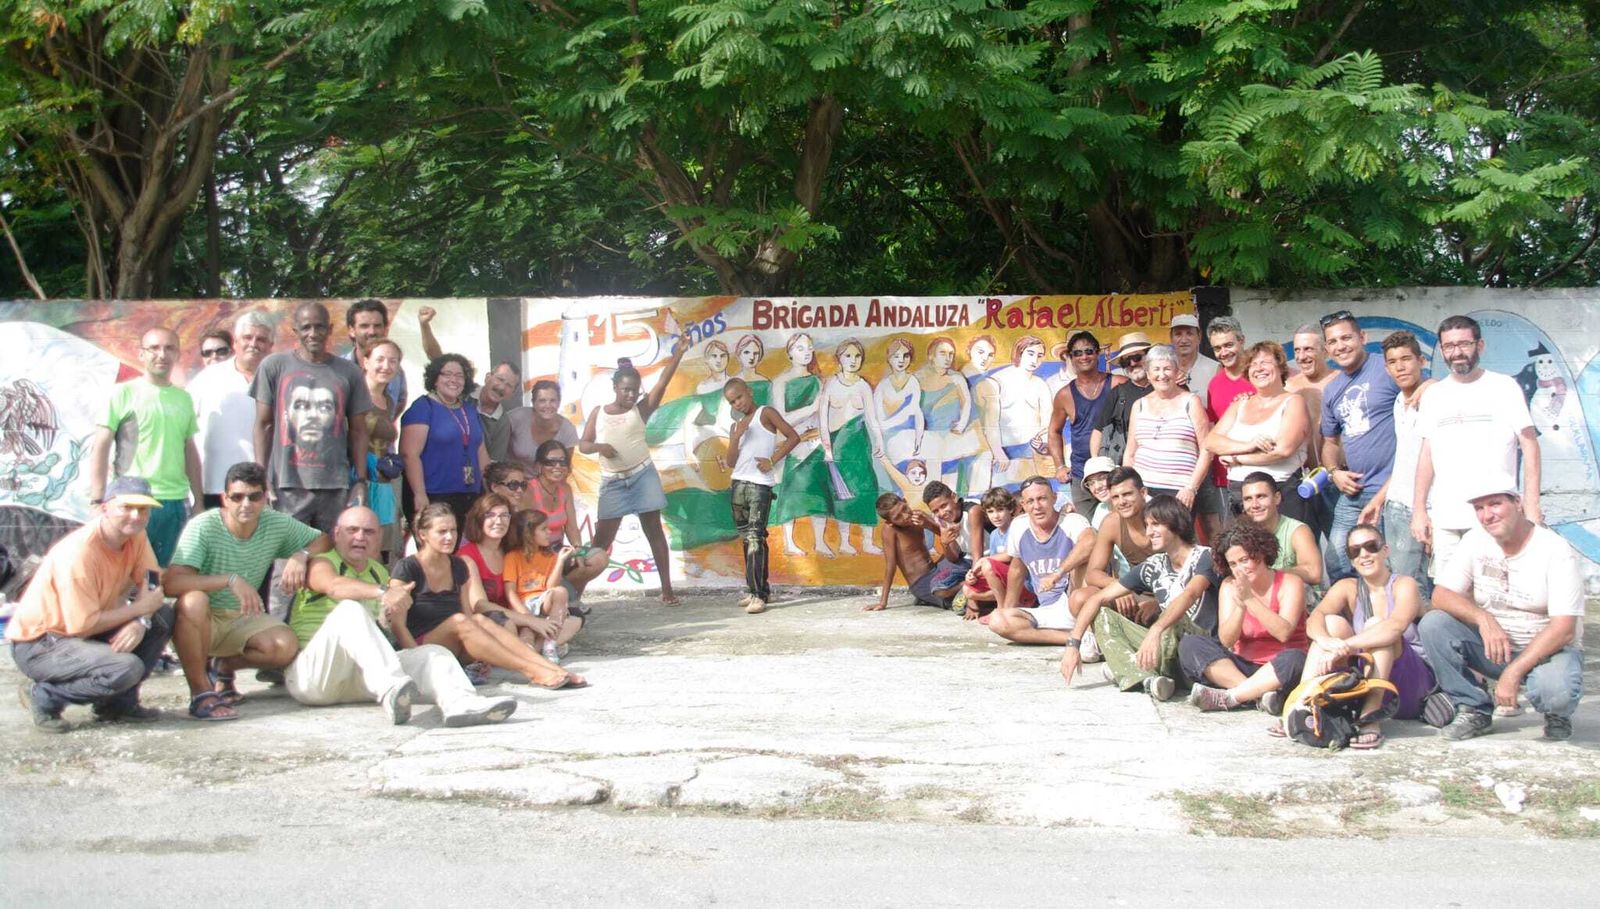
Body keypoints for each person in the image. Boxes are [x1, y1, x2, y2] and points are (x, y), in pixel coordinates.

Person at [283, 506, 517, 727]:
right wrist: (384, 592)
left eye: (369, 532)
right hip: (315, 677)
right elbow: (334, 587)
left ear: (379, 538)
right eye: (352, 530)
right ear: (337, 534)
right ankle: (393, 687)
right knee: (350, 610)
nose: (360, 537)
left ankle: (461, 704)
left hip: (362, 678)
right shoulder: (321, 562)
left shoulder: (378, 571)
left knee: (433, 653)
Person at [1417, 475, 1583, 742]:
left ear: (1517, 503)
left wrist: (1512, 673)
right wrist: (1482, 618)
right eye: (1479, 508)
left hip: (1548, 650)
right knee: (1434, 624)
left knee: (1556, 693)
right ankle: (1473, 708)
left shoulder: (1555, 550)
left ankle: (1557, 714)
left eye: (1495, 504)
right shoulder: (1474, 540)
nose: (1487, 515)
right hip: (1497, 648)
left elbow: (1564, 629)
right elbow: (1441, 595)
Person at [165, 462, 332, 722]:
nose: (246, 504)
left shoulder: (273, 523)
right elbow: (172, 584)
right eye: (237, 497)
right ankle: (201, 693)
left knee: (284, 645)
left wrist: (301, 555)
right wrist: (229, 580)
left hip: (241, 618)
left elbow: (322, 539)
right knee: (193, 601)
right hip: (201, 620)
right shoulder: (203, 526)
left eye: (254, 497)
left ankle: (223, 667)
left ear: (265, 498)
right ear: (225, 499)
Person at [8, 477, 176, 732]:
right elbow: (82, 626)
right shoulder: (80, 554)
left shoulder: (136, 536)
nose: (135, 516)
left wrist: (141, 621)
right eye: (127, 507)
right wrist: (138, 610)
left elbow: (151, 578)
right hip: (41, 643)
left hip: (87, 626)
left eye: (143, 509)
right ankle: (44, 696)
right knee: (126, 668)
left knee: (162, 616)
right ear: (105, 508)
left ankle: (118, 704)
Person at [390, 503, 583, 688]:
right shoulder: (407, 567)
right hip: (422, 645)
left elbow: (469, 614)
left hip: (457, 642)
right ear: (423, 535)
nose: (450, 537)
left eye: (454, 530)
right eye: (442, 532)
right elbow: (397, 625)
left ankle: (550, 668)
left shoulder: (457, 565)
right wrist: (418, 660)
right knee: (460, 621)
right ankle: (533, 671)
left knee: (479, 621)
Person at [1411, 315, 1542, 584]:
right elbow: (1427, 455)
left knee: (1497, 592)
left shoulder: (1504, 387)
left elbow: (1530, 445)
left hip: (1495, 516)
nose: (1457, 352)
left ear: (1479, 346)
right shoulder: (1435, 396)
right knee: (1449, 593)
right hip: (1447, 518)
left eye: (1464, 344)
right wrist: (1419, 510)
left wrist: (1532, 503)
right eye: (1449, 346)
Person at [1299, 524, 1451, 749]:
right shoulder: (1347, 587)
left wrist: (1345, 646)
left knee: (1376, 626)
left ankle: (1370, 717)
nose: (1364, 555)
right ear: (1350, 559)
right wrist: (1326, 641)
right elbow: (1314, 619)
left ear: (1385, 550)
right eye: (1355, 551)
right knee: (1331, 623)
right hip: (1365, 678)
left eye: (1371, 547)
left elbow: (1394, 628)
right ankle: (1301, 706)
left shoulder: (1404, 585)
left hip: (1410, 684)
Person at [1059, 495, 1218, 702]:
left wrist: (1156, 629)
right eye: (1147, 525)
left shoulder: (1205, 556)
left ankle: (1124, 668)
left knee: (1174, 618)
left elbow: (1190, 594)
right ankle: (1145, 678)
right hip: (1165, 649)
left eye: (1155, 524)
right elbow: (1096, 599)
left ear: (1176, 524)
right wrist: (1073, 645)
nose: (1149, 532)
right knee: (1103, 616)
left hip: (1199, 648)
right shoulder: (1155, 564)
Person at [580, 340, 688, 604]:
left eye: (634, 391)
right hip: (613, 482)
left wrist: (679, 353)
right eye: (625, 390)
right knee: (601, 539)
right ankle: (576, 591)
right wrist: (600, 447)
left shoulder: (642, 409)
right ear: (615, 387)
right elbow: (583, 445)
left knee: (654, 531)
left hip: (643, 476)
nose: (630, 395)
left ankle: (667, 591)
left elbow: (663, 381)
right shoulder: (599, 413)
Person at [252, 302, 373, 533]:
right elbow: (263, 424)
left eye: (319, 327)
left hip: (336, 485)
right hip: (287, 485)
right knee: (288, 562)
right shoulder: (274, 366)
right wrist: (261, 475)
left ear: (330, 329)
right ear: (294, 330)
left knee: (331, 558)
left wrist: (360, 481)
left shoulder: (349, 372)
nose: (313, 334)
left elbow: (359, 430)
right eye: (306, 327)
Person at [87, 327, 202, 566]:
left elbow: (189, 450)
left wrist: (198, 499)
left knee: (159, 574)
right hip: (133, 501)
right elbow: (101, 445)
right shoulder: (123, 393)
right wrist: (97, 499)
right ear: (142, 354)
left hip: (174, 502)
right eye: (154, 348)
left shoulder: (184, 398)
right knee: (123, 572)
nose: (162, 354)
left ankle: (154, 603)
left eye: (169, 348)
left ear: (177, 354)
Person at [1179, 522, 1309, 713]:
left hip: (1279, 667)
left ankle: (1235, 696)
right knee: (1190, 644)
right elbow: (1227, 639)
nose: (1240, 568)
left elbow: (1283, 633)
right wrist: (1240, 605)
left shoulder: (1290, 582)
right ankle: (1255, 694)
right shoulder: (1229, 585)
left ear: (1261, 554)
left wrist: (1250, 599)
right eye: (1233, 564)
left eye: (1245, 560)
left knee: (1296, 659)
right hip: (1242, 666)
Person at [1318, 310, 1398, 582]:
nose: (1341, 346)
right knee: (1338, 559)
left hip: (1392, 492)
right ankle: (1352, 620)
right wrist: (1333, 472)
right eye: (1333, 342)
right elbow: (1329, 443)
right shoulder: (1332, 390)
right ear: (1327, 349)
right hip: (1353, 493)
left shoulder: (1386, 368)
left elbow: (1420, 389)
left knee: (1389, 562)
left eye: (1346, 338)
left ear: (1362, 337)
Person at [1356, 331, 1436, 591]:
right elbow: (1405, 462)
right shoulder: (1399, 401)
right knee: (1402, 584)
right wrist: (1378, 500)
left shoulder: (1437, 397)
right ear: (1386, 367)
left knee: (1425, 585)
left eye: (1406, 359)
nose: (1400, 367)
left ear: (1421, 361)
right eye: (1393, 361)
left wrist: (1425, 511)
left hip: (1425, 507)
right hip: (1396, 506)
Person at [1206, 342, 1310, 523]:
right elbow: (1211, 441)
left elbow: (1283, 450)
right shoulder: (1240, 404)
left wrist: (1238, 459)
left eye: (1265, 362)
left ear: (1280, 367)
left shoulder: (1293, 401)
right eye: (1253, 364)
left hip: (1280, 492)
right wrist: (1249, 445)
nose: (1259, 368)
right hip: (1239, 494)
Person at [985, 477, 1096, 645]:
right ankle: (1077, 639)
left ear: (1054, 498)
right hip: (1047, 609)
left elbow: (1090, 541)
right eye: (1030, 501)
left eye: (1042, 498)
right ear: (1023, 504)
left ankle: (1084, 632)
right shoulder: (1019, 526)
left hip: (1076, 604)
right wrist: (1008, 609)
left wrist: (1058, 573)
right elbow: (1017, 569)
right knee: (998, 620)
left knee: (1083, 561)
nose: (1036, 506)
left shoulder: (1071, 522)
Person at [723, 377, 801, 615]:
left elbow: (793, 436)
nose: (737, 403)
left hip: (760, 485)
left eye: (739, 397)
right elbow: (730, 462)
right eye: (732, 401)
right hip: (738, 484)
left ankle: (759, 595)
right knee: (747, 539)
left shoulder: (765, 413)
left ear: (748, 392)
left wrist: (772, 461)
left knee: (756, 538)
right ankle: (756, 590)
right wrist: (735, 437)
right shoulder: (737, 425)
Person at [1123, 345, 1218, 536]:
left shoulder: (1191, 402)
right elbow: (1130, 452)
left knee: (1178, 545)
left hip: (1179, 492)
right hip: (1145, 491)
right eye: (1156, 369)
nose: (1162, 375)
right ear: (1148, 374)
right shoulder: (1139, 406)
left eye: (1167, 368)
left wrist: (1191, 488)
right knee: (1148, 547)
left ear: (1176, 372)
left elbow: (1207, 449)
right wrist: (1129, 488)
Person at [191, 311, 275, 509]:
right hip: (215, 488)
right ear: (235, 342)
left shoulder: (279, 380)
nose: (253, 344)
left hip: (263, 490)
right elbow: (184, 433)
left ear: (270, 346)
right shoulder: (206, 379)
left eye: (261, 339)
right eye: (247, 337)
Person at [400, 353, 491, 529]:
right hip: (434, 495)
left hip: (471, 494)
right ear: (435, 379)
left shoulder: (469, 410)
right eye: (447, 374)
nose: (453, 380)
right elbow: (409, 454)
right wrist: (419, 494)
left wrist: (489, 491)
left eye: (459, 375)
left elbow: (480, 451)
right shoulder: (423, 407)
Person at [1048, 330, 1124, 517]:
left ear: (1097, 353)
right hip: (1082, 475)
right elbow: (1054, 432)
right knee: (1089, 532)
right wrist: (1059, 466)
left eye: (1089, 351)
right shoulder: (1065, 394)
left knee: (1125, 527)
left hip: (1115, 471)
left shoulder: (1118, 384)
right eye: (1077, 353)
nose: (1084, 356)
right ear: (1071, 358)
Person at [771, 333, 834, 557]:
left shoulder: (817, 381)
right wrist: (810, 409)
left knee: (819, 493)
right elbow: (781, 419)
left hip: (814, 444)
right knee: (791, 494)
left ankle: (820, 541)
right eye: (799, 348)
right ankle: (789, 542)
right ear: (789, 353)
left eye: (809, 347)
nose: (806, 352)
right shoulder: (781, 382)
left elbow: (823, 415)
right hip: (792, 445)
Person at [505, 509, 590, 657]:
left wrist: (560, 561)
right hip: (522, 605)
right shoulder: (513, 557)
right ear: (529, 534)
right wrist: (526, 615)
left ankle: (550, 642)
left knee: (561, 593)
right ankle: (532, 653)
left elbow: (551, 588)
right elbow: (510, 592)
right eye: (544, 529)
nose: (549, 532)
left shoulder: (550, 556)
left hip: (544, 602)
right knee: (527, 632)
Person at [1235, 471, 1323, 588]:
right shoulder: (1240, 534)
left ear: (1277, 498)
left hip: (1297, 597)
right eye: (1248, 499)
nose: (1255, 505)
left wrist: (1270, 574)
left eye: (1261, 496)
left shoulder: (1298, 531)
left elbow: (1314, 573)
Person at [986, 335, 1054, 486]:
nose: (1035, 360)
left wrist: (1042, 443)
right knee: (1002, 501)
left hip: (1032, 453)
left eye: (1040, 356)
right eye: (1030, 353)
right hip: (1004, 453)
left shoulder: (1040, 385)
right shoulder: (997, 381)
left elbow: (1048, 422)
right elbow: (990, 423)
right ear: (1019, 353)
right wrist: (998, 452)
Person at [958, 486, 1032, 620]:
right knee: (967, 589)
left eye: (1000, 510)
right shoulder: (993, 535)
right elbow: (993, 564)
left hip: (1023, 584)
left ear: (1010, 509)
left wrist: (982, 561)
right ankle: (1009, 604)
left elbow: (1010, 555)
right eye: (991, 512)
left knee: (986, 563)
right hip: (1005, 581)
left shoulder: (1017, 527)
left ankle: (1002, 608)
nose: (996, 516)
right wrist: (973, 574)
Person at [869, 493, 950, 610]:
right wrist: (883, 602)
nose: (905, 515)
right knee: (952, 597)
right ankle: (924, 596)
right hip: (920, 581)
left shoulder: (918, 515)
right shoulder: (890, 530)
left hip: (935, 569)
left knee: (960, 555)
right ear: (890, 522)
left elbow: (946, 536)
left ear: (905, 501)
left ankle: (926, 598)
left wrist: (928, 524)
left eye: (904, 509)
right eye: (898, 517)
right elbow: (890, 566)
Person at [1089, 332, 1153, 468]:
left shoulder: (1167, 387)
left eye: (1137, 357)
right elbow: (1099, 430)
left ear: (1150, 357)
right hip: (1129, 469)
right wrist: (1097, 465)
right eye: (1125, 361)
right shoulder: (1118, 393)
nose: (1132, 364)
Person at [344, 298, 409, 409]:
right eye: (364, 326)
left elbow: (400, 401)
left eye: (377, 326)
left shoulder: (395, 370)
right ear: (351, 330)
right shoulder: (337, 370)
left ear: (385, 329)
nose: (372, 332)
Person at [456, 493, 515, 609]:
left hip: (519, 617)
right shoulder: (467, 556)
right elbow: (480, 606)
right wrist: (529, 620)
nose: (499, 521)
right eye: (490, 515)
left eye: (504, 515)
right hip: (485, 621)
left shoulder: (511, 551)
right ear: (479, 519)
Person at [505, 379, 580, 467]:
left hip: (548, 479)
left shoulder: (568, 430)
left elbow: (565, 467)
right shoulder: (516, 417)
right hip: (515, 477)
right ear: (533, 402)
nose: (548, 406)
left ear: (559, 403)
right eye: (542, 401)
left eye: (552, 401)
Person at [1168, 313, 1218, 409]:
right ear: (1171, 338)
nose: (1184, 340)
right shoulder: (1164, 370)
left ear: (1199, 337)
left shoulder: (1214, 368)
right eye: (1178, 334)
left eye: (1189, 333)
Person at [474, 361, 520, 462]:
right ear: (488, 377)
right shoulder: (463, 393)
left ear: (511, 394)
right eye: (500, 379)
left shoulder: (503, 423)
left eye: (509, 385)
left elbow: (493, 464)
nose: (502, 387)